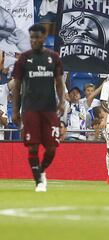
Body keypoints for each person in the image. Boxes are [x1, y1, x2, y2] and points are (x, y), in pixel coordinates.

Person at [12, 24, 65, 192]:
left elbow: (59, 82)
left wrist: (62, 101)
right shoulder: (23, 59)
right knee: (33, 147)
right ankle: (39, 182)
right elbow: (17, 86)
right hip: (30, 109)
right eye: (31, 37)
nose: (34, 40)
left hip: (49, 109)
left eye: (37, 37)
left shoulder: (54, 57)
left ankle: (41, 171)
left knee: (51, 148)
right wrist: (15, 110)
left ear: (44, 37)